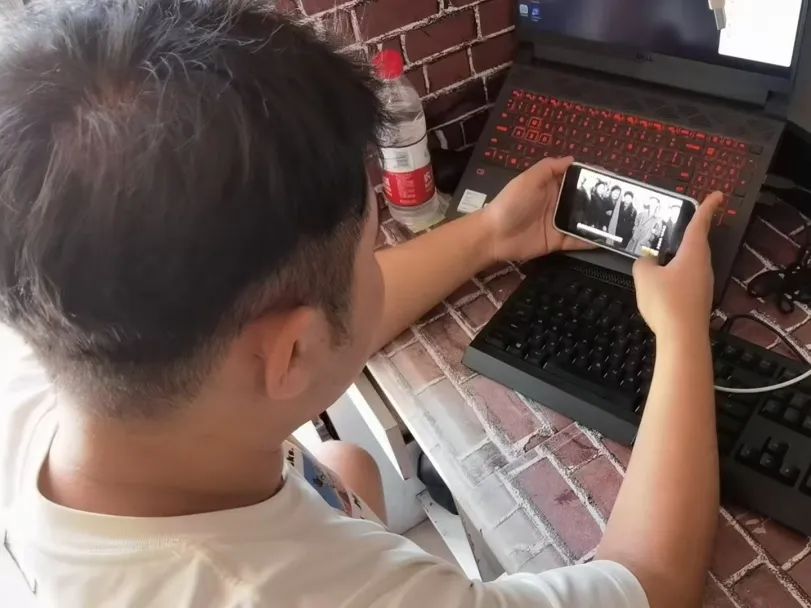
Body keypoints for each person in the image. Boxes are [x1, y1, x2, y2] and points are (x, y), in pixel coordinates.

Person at [0, 2, 723, 607]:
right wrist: (681, 330)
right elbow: (653, 583)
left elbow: (312, 338)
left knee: (347, 460)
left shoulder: (54, 345)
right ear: (291, 351)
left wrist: (489, 234)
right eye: (369, 251)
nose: (375, 268)